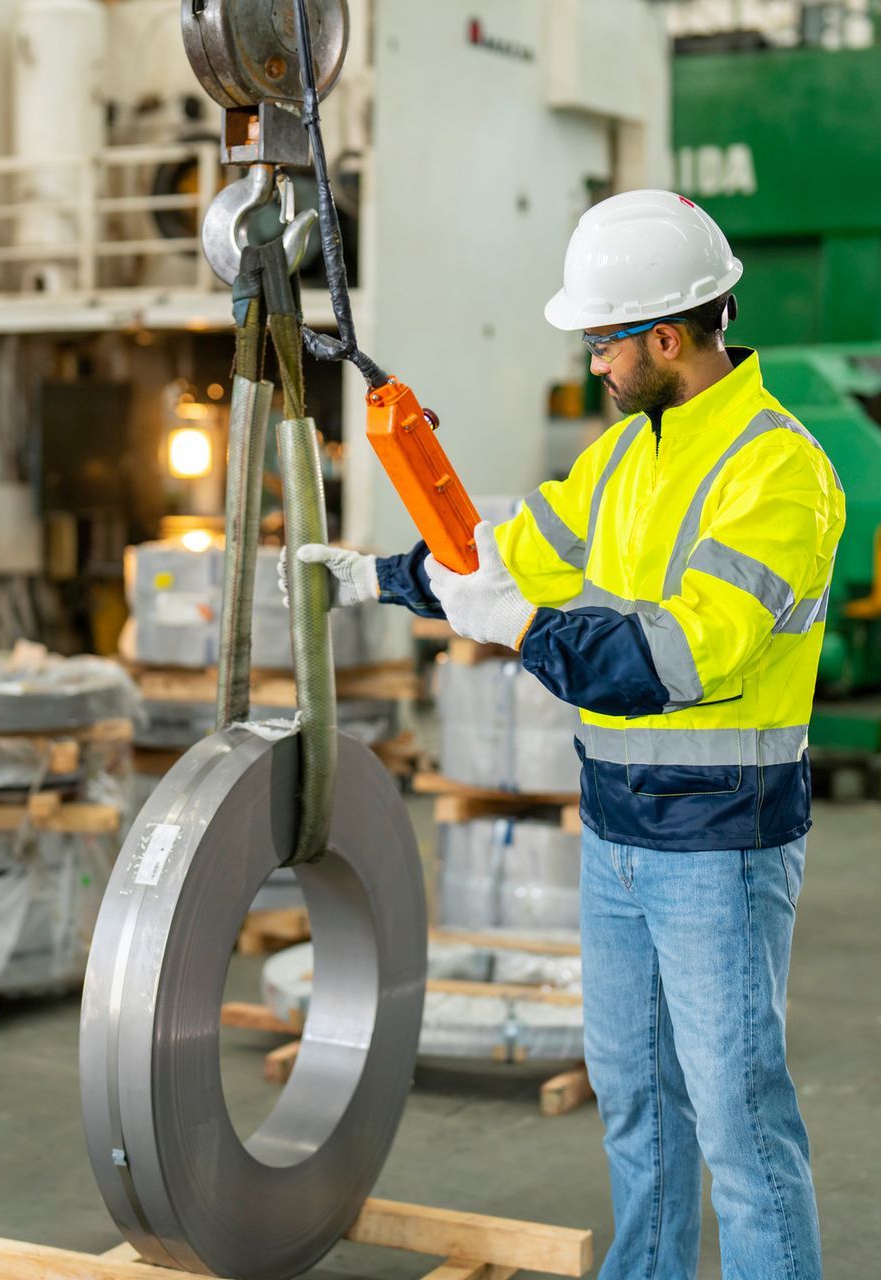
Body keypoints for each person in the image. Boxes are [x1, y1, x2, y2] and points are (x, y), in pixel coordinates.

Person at [299, 190, 843, 1280]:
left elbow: (675, 662)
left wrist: (528, 629)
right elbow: (510, 552)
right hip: (618, 833)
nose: (594, 362)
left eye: (603, 341)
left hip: (719, 845)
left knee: (737, 1119)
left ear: (667, 336)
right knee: (636, 1096)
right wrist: (378, 577)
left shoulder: (778, 474)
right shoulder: (626, 458)